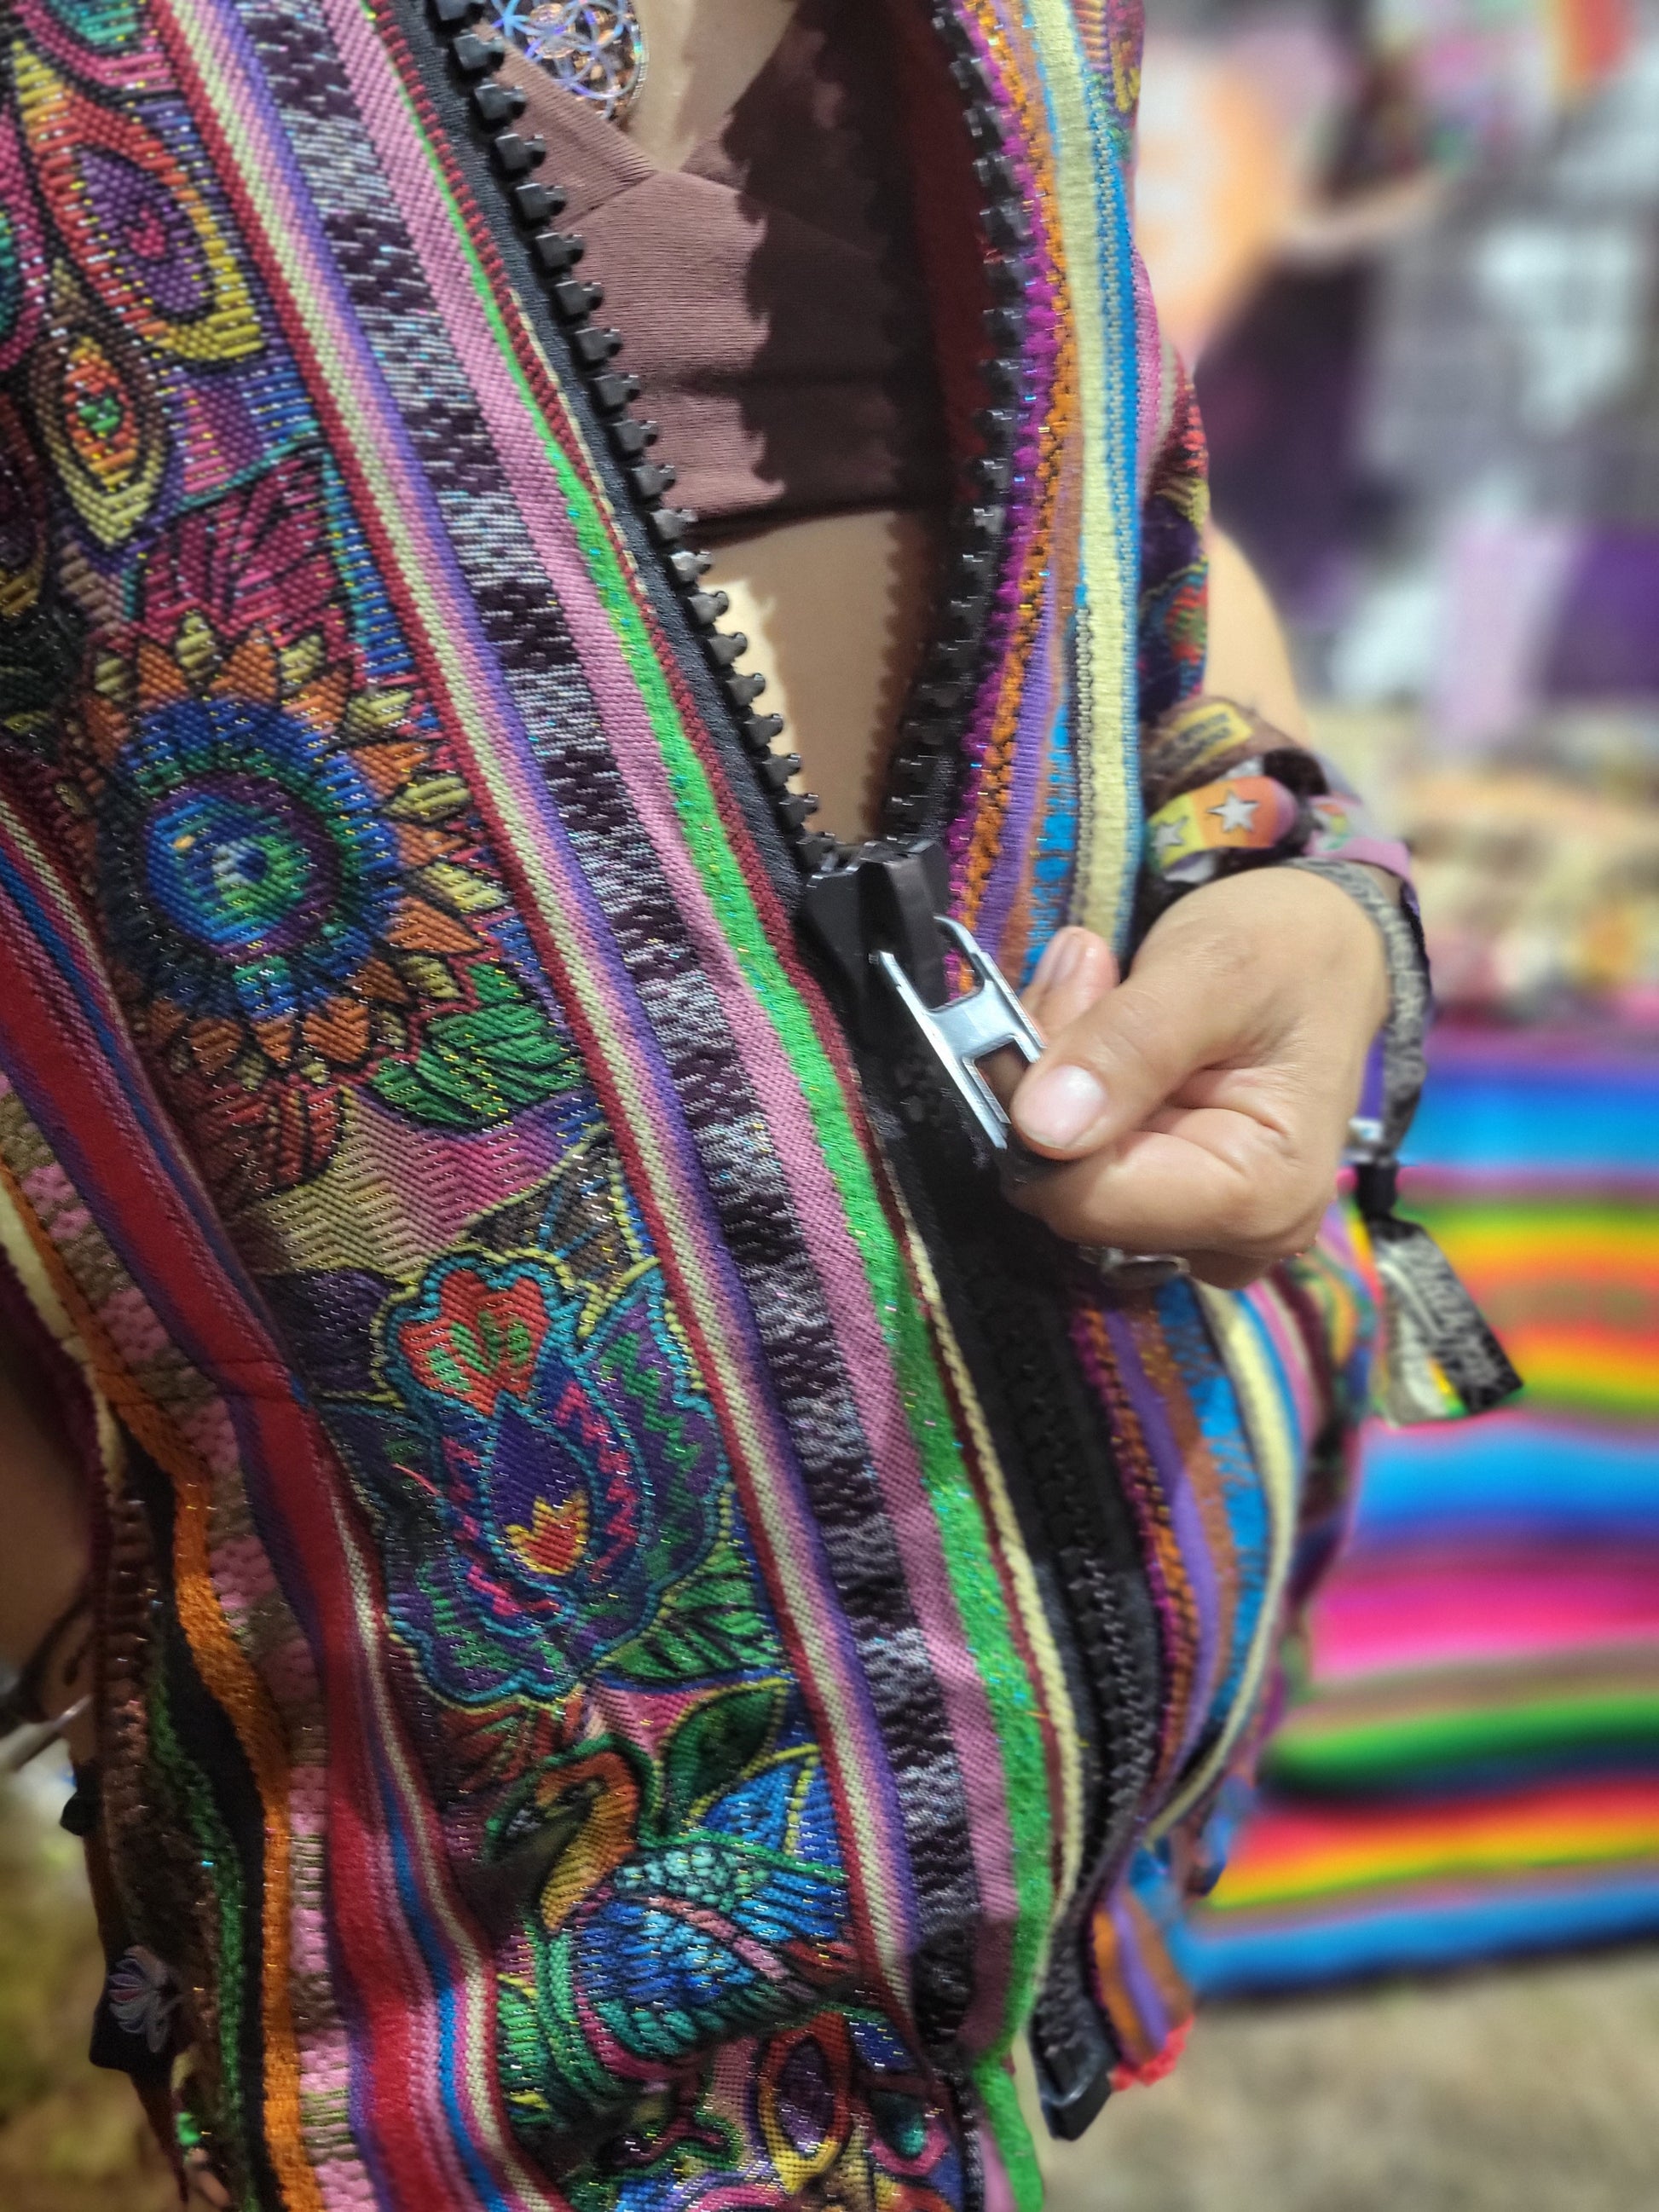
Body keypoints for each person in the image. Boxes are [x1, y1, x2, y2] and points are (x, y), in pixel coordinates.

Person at [0, 0, 1509, 2203]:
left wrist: (1280, 888)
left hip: (1109, 1760)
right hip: (505, 2016)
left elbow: (1129, 526)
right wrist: (105, 1636)